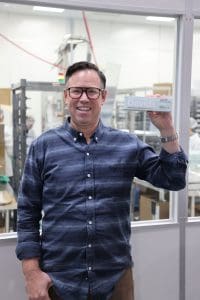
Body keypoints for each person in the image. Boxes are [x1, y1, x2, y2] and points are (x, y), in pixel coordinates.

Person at [16, 61, 188, 300]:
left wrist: (167, 129)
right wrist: (32, 273)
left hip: (115, 279)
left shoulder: (127, 145)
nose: (83, 98)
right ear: (66, 96)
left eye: (92, 91)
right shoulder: (43, 147)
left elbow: (174, 179)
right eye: (76, 91)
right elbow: (27, 213)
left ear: (103, 96)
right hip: (58, 280)